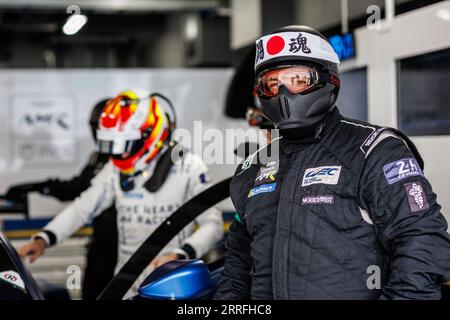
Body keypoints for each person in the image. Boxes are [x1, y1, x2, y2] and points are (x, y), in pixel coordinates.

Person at [215, 25, 450, 300]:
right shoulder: (254, 167)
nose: (283, 92)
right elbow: (237, 265)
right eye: (272, 82)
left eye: (298, 79)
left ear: (328, 81)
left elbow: (423, 244)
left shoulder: (375, 150)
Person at [19, 88, 223, 296]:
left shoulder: (190, 166)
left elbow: (213, 225)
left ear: (149, 133)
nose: (119, 153)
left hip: (171, 284)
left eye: (125, 144)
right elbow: (83, 207)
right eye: (113, 144)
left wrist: (180, 254)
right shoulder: (115, 169)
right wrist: (43, 238)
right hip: (125, 285)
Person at [5, 98, 118, 300]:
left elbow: (77, 191)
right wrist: (39, 187)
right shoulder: (99, 158)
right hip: (101, 249)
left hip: (130, 250)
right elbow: (80, 195)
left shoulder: (132, 163)